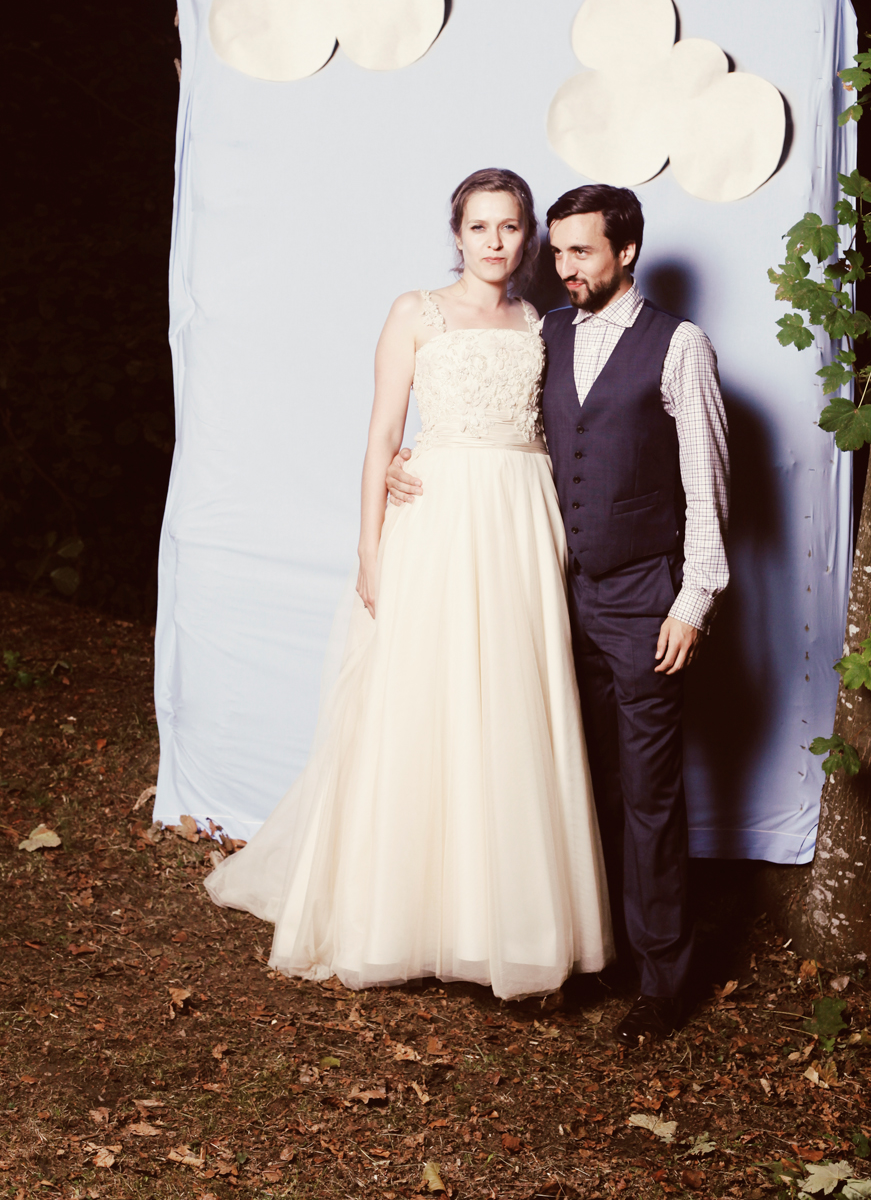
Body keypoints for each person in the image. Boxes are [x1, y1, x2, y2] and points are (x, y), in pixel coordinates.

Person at [205, 168, 613, 1001]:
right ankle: (399, 915)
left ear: (528, 237)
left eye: (510, 227)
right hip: (438, 514)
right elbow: (382, 432)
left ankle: (500, 923)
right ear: (457, 235)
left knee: (512, 696)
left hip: (521, 512)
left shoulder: (541, 321)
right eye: (479, 227)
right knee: (425, 693)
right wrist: (369, 545)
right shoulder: (414, 313)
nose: (495, 242)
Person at [389, 184, 729, 1048]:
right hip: (549, 592)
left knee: (650, 795)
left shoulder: (679, 345)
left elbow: (707, 483)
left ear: (627, 251)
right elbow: (504, 434)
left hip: (644, 601)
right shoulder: (549, 333)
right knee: (577, 778)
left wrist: (694, 599)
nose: (565, 266)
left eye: (583, 251)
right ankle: (598, 947)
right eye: (560, 251)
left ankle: (662, 980)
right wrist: (414, 456)